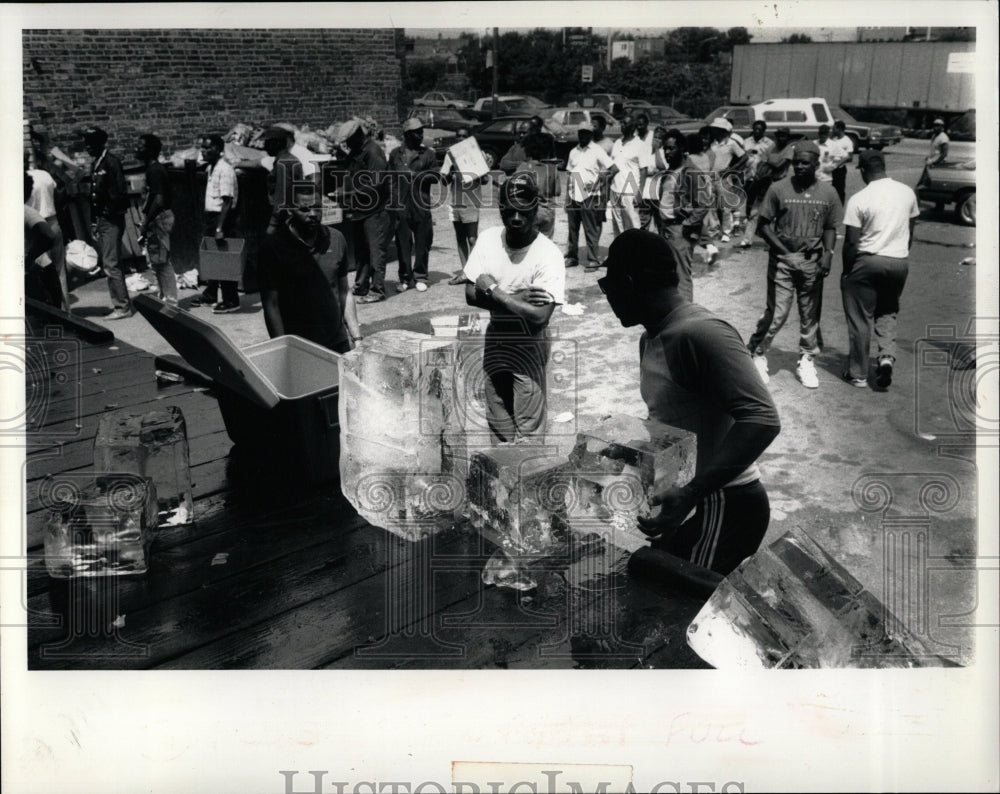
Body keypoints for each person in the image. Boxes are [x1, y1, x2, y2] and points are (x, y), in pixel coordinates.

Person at [599, 229, 781, 575]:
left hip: (723, 505)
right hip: (688, 502)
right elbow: (678, 421)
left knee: (685, 613)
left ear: (628, 282)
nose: (608, 299)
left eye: (607, 288)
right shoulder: (651, 337)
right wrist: (631, 449)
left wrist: (693, 492)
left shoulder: (702, 333)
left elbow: (762, 419)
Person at [463, 174, 566, 443]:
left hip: (528, 342)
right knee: (497, 416)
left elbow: (539, 316)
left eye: (523, 211)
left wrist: (496, 292)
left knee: (528, 424)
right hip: (496, 336)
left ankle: (529, 479)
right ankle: (502, 477)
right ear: (500, 210)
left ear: (535, 210)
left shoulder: (548, 254)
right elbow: (470, 294)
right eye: (509, 211)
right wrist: (519, 298)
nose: (516, 218)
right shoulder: (488, 239)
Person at [747, 141, 842, 389]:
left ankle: (807, 359)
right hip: (783, 262)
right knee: (777, 313)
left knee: (810, 314)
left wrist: (828, 255)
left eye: (805, 162)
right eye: (796, 162)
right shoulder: (778, 188)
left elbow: (831, 227)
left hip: (813, 261)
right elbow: (763, 225)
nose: (799, 166)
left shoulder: (828, 193)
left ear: (816, 164)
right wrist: (783, 251)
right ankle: (757, 352)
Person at [840, 149, 920, 390]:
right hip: (898, 261)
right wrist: (899, 254)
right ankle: (885, 357)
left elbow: (852, 242)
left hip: (867, 261)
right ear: (884, 166)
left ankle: (859, 374)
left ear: (863, 170)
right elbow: (911, 230)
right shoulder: (907, 192)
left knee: (860, 317)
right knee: (888, 310)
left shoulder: (859, 198)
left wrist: (847, 271)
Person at [258, 184, 360, 354]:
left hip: (338, 342)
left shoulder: (336, 239)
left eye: (317, 208)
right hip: (300, 347)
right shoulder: (272, 248)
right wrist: (282, 348)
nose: (313, 215)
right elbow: (271, 305)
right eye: (304, 209)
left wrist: (356, 338)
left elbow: (343, 291)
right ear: (290, 210)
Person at [337, 117, 391, 304]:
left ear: (358, 136)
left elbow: (376, 183)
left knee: (376, 252)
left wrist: (349, 192)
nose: (348, 145)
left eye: (349, 141)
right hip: (360, 209)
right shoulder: (357, 151)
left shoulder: (373, 152)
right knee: (361, 251)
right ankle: (361, 286)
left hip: (375, 210)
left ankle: (377, 289)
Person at [654, 128, 708, 302]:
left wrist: (687, 225)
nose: (667, 153)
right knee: (668, 275)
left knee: (682, 276)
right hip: (666, 228)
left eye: (671, 148)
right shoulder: (670, 171)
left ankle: (686, 316)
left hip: (679, 230)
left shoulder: (691, 172)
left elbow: (703, 203)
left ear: (682, 148)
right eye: (665, 149)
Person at [83, 126, 131, 319]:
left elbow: (119, 194)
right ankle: (121, 303)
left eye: (90, 143)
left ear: (100, 143)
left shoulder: (111, 162)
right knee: (110, 263)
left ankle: (122, 307)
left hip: (111, 219)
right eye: (86, 142)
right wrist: (95, 221)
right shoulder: (97, 163)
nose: (87, 146)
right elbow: (95, 195)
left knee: (111, 264)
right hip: (103, 219)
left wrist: (107, 216)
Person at [191, 134, 240, 313]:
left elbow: (227, 201)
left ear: (219, 150)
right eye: (202, 148)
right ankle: (211, 293)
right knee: (212, 258)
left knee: (225, 261)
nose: (203, 151)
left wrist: (220, 227)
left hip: (222, 219)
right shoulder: (212, 168)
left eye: (208, 148)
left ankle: (231, 300)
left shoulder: (225, 170)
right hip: (212, 218)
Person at [388, 117, 438, 292]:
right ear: (407, 135)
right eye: (417, 132)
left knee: (422, 241)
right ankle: (405, 277)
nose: (420, 135)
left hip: (421, 203)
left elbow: (435, 176)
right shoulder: (395, 154)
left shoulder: (428, 154)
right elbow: (390, 178)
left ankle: (420, 276)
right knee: (402, 242)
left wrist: (416, 175)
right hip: (401, 204)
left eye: (421, 131)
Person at [134, 134, 177, 306]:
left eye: (141, 146)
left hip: (159, 219)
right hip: (156, 219)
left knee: (162, 262)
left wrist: (145, 223)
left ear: (151, 151)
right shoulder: (152, 169)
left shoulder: (155, 170)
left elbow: (158, 200)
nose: (137, 149)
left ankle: (171, 302)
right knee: (157, 262)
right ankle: (165, 298)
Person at [443, 127, 490, 285]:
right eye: (457, 136)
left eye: (463, 136)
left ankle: (475, 272)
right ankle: (465, 272)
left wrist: (479, 171)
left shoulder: (477, 153)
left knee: (472, 238)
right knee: (460, 237)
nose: (460, 139)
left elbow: (485, 181)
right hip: (455, 201)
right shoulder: (450, 154)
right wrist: (451, 171)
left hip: (470, 200)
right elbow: (444, 180)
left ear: (468, 138)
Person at [564, 120, 613, 272]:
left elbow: (612, 169)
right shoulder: (573, 151)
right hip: (574, 194)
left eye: (586, 133)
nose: (583, 135)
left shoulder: (597, 150)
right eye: (581, 133)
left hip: (590, 195)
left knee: (590, 229)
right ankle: (572, 257)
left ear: (591, 134)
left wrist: (600, 183)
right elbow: (569, 174)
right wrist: (567, 197)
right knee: (572, 229)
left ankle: (593, 259)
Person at [26, 155, 69, 311]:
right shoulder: (45, 175)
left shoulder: (20, 180)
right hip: (53, 221)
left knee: (40, 274)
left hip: (34, 226)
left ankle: (52, 313)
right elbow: (60, 197)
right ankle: (67, 312)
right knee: (59, 271)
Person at [707, 117, 747, 243]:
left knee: (725, 206)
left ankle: (726, 231)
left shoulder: (731, 143)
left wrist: (731, 168)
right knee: (711, 205)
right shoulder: (710, 143)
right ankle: (713, 230)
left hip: (724, 178)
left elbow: (744, 157)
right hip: (710, 176)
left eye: (717, 129)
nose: (715, 131)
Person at [513, 133, 560, 239]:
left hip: (529, 212)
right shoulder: (552, 168)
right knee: (546, 244)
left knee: (529, 245)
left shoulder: (522, 168)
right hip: (547, 211)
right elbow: (557, 191)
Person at [608, 115, 648, 236]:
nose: (623, 126)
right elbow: (612, 166)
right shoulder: (617, 143)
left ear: (633, 127)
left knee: (632, 225)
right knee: (617, 225)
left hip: (630, 191)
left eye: (626, 124)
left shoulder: (640, 145)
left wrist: (639, 192)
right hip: (615, 189)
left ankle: (635, 253)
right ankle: (620, 252)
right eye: (622, 123)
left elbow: (643, 170)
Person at [738, 120, 775, 249]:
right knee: (748, 202)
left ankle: (756, 230)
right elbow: (741, 157)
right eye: (755, 129)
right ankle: (752, 223)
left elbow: (769, 161)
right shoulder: (746, 142)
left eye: (760, 129)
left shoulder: (769, 144)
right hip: (748, 175)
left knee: (759, 205)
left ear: (764, 130)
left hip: (762, 178)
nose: (757, 131)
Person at [684, 131, 718, 264]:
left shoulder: (690, 159)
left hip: (695, 190)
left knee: (694, 221)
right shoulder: (705, 156)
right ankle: (708, 246)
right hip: (707, 189)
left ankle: (707, 245)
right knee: (701, 221)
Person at [263, 126, 300, 237]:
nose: (265, 147)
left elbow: (282, 196)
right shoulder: (287, 159)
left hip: (285, 218)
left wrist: (273, 224)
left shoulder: (283, 162)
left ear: (278, 143)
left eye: (268, 143)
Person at [828, 120, 855, 205]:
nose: (832, 130)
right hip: (830, 167)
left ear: (839, 129)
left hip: (839, 169)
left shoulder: (847, 141)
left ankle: (839, 207)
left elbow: (850, 157)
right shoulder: (833, 139)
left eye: (834, 129)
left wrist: (837, 164)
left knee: (839, 189)